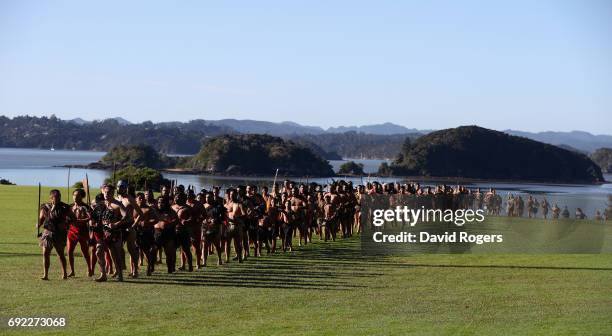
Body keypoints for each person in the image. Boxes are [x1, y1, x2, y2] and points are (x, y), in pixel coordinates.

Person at [38, 189, 74, 280]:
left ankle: (64, 273)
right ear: (51, 198)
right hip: (47, 232)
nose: (57, 199)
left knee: (60, 253)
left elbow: (73, 218)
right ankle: (45, 274)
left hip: (59, 233)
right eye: (55, 198)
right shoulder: (45, 207)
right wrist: (39, 223)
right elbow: (42, 218)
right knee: (45, 253)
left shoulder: (65, 207)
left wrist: (66, 224)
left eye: (59, 197)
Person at [116, 180, 143, 278]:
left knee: (131, 249)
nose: (121, 188)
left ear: (126, 188)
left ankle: (135, 270)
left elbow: (140, 213)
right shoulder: (117, 198)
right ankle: (119, 269)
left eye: (123, 187)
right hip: (119, 226)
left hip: (129, 226)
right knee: (117, 248)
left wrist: (133, 226)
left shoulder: (130, 198)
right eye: (119, 187)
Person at [101, 184, 126, 282]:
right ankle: (105, 273)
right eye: (105, 192)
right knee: (109, 254)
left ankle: (120, 275)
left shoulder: (118, 204)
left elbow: (127, 217)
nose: (107, 194)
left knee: (117, 254)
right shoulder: (102, 204)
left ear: (113, 193)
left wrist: (116, 224)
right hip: (104, 232)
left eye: (109, 192)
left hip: (115, 233)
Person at [66, 188, 93, 277]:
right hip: (72, 231)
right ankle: (72, 271)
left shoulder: (86, 207)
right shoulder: (70, 207)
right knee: (69, 251)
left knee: (85, 251)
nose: (75, 197)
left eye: (77, 195)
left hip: (83, 231)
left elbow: (90, 217)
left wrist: (81, 221)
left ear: (82, 197)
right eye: (74, 195)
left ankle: (90, 269)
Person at [135, 192, 159, 276]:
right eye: (140, 198)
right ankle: (134, 270)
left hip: (146, 233)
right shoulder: (133, 208)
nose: (142, 200)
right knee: (134, 252)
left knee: (146, 252)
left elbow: (156, 219)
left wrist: (146, 223)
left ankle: (149, 267)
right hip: (134, 233)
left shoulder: (149, 209)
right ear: (136, 199)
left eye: (143, 198)